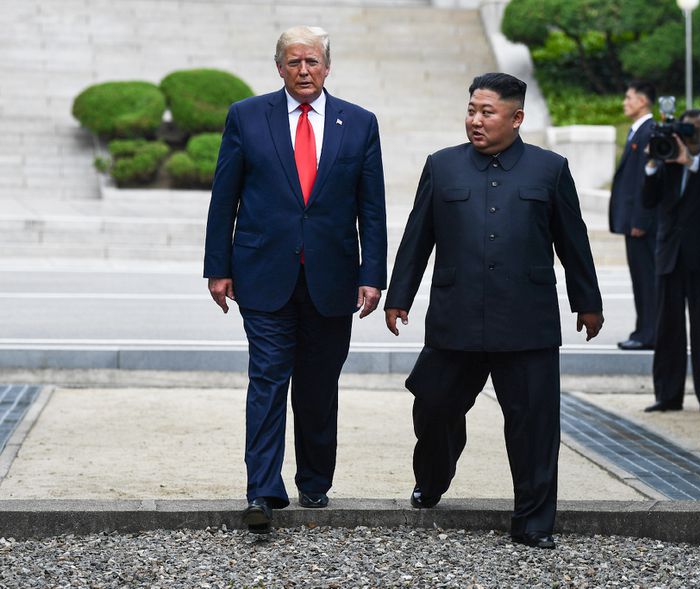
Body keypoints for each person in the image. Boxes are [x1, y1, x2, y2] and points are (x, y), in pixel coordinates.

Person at [384, 73, 604, 550]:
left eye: (487, 112)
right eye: (471, 110)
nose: (475, 120)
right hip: (455, 317)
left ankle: (533, 522)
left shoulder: (550, 170)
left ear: (517, 117)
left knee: (534, 425)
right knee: (434, 404)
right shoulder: (441, 167)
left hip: (526, 323)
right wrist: (398, 295)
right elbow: (417, 236)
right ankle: (435, 475)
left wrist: (587, 302)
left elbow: (574, 242)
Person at [203, 25, 387, 533]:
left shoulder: (360, 123)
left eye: (312, 62)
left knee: (317, 382)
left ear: (327, 67)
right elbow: (225, 198)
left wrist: (374, 274)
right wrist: (217, 267)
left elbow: (372, 208)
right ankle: (261, 490)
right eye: (293, 62)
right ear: (279, 67)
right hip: (262, 274)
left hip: (333, 278)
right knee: (267, 379)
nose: (303, 71)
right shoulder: (247, 116)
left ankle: (314, 481)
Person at [641, 109, 700, 414]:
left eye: (698, 129)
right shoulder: (668, 161)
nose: (693, 135)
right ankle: (668, 395)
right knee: (667, 328)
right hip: (669, 254)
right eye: (688, 129)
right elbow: (647, 200)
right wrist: (653, 164)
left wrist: (690, 161)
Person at [609, 81, 657, 351]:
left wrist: (640, 219)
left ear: (642, 101)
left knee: (647, 280)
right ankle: (645, 330)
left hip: (642, 224)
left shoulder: (649, 131)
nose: (625, 103)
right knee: (640, 279)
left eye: (628, 98)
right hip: (634, 222)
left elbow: (646, 180)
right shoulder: (637, 132)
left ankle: (647, 333)